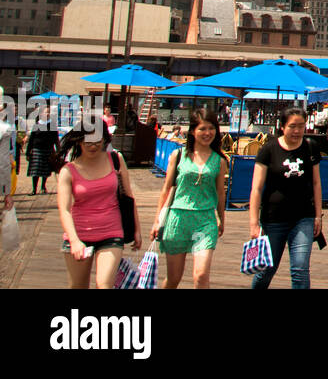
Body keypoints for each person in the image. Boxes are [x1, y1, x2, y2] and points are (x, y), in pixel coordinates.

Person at [56, 117, 142, 289]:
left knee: (104, 285)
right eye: (88, 141)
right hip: (79, 234)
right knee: (78, 286)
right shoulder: (68, 171)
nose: (93, 146)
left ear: (105, 139)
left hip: (111, 232)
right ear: (79, 141)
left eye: (97, 141)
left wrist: (136, 230)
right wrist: (74, 241)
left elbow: (129, 197)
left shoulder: (116, 159)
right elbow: (64, 210)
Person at [151, 108, 228, 289]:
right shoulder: (178, 156)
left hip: (205, 220)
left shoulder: (220, 161)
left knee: (201, 276)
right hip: (177, 219)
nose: (207, 133)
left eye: (211, 128)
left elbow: (220, 193)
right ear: (193, 131)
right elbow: (166, 189)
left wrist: (221, 220)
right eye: (202, 129)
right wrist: (156, 221)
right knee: (173, 279)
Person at [248, 108, 322, 289]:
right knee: (266, 269)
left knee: (300, 269)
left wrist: (318, 215)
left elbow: (316, 183)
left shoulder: (310, 147)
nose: (297, 131)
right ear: (282, 127)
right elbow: (256, 188)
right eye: (292, 126)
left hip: (303, 217)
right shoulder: (268, 149)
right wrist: (254, 224)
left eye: (301, 126)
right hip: (273, 219)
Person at [25, 111, 59, 194]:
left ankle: (43, 187)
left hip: (48, 149)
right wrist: (28, 152)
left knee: (45, 170)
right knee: (35, 170)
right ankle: (34, 189)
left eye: (48, 112)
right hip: (37, 149)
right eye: (45, 112)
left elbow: (56, 139)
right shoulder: (37, 125)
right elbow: (32, 139)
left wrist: (58, 151)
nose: (47, 114)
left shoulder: (52, 125)